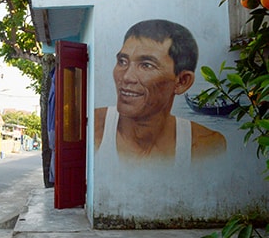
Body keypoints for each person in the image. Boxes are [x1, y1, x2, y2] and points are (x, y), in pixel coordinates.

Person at [94, 19, 226, 160]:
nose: (126, 77)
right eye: (122, 62)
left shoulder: (205, 144)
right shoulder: (92, 129)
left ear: (182, 81)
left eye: (146, 65)